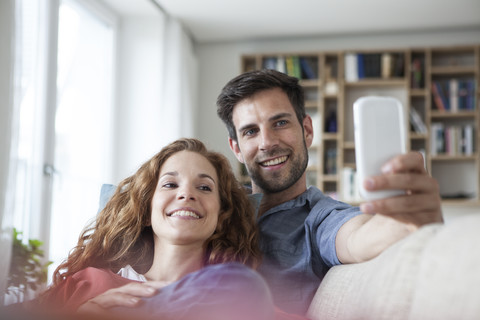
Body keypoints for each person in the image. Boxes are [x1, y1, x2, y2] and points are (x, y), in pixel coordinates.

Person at [216, 69, 444, 315]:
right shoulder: (215, 203)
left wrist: (406, 221)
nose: (267, 143)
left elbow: (356, 238)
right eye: (251, 131)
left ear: (307, 130)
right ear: (236, 148)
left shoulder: (321, 218)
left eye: (280, 123)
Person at [15, 138, 275, 320]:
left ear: (221, 216)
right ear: (147, 211)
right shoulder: (89, 282)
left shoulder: (239, 294)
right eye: (170, 185)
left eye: (204, 187)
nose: (186, 193)